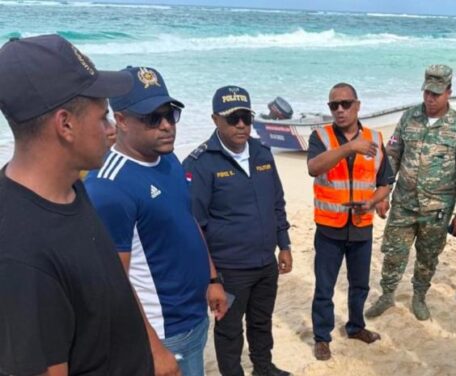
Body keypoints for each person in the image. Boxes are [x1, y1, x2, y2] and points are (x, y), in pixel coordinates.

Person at [0, 35, 153, 375]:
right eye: (103, 118)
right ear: (65, 124)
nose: (112, 129)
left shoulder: (68, 184)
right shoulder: (20, 255)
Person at [85, 66, 228, 376]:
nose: (166, 126)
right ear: (120, 120)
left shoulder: (168, 158)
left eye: (170, 114)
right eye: (152, 117)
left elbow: (186, 219)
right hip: (162, 330)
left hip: (194, 315)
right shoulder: (108, 187)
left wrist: (212, 279)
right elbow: (114, 281)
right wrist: (153, 347)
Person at [182, 86, 292, 376]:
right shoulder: (200, 164)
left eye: (246, 117)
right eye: (233, 119)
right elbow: (195, 227)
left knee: (261, 322)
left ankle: (263, 368)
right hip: (230, 271)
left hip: (265, 263)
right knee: (229, 332)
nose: (242, 125)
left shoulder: (262, 153)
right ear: (215, 119)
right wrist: (211, 278)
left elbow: (277, 202)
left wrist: (285, 244)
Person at [365, 64, 456, 321]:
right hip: (404, 203)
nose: (430, 98)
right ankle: (387, 295)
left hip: (437, 210)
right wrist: (382, 194)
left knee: (427, 257)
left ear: (449, 92)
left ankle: (419, 297)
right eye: (427, 92)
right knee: (393, 252)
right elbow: (392, 157)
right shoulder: (409, 117)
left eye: (436, 94)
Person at [307, 83, 394, 360]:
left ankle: (356, 327)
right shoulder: (320, 136)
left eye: (346, 104)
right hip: (329, 227)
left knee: (360, 285)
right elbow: (313, 167)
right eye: (334, 105)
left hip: (361, 225)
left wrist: (373, 201)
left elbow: (385, 183)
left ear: (358, 105)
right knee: (324, 287)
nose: (340, 110)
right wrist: (350, 148)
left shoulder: (375, 138)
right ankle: (322, 337)